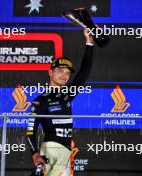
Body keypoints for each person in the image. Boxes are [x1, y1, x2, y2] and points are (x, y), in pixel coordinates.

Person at [26, 28, 94, 176]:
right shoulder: (40, 101)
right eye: (60, 71)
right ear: (50, 72)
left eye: (67, 73)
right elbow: (30, 131)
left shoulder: (67, 95)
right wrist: (35, 154)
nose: (64, 75)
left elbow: (84, 72)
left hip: (66, 154)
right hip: (51, 153)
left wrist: (89, 43)